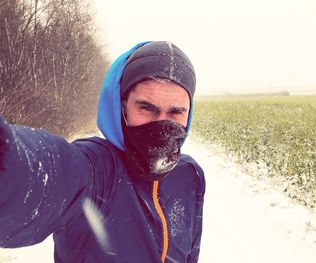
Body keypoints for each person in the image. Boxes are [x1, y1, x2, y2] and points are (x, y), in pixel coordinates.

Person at [0, 41, 205, 263]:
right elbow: (35, 172)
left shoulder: (190, 176)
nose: (161, 124)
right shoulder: (96, 170)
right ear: (122, 107)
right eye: (146, 108)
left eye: (176, 112)